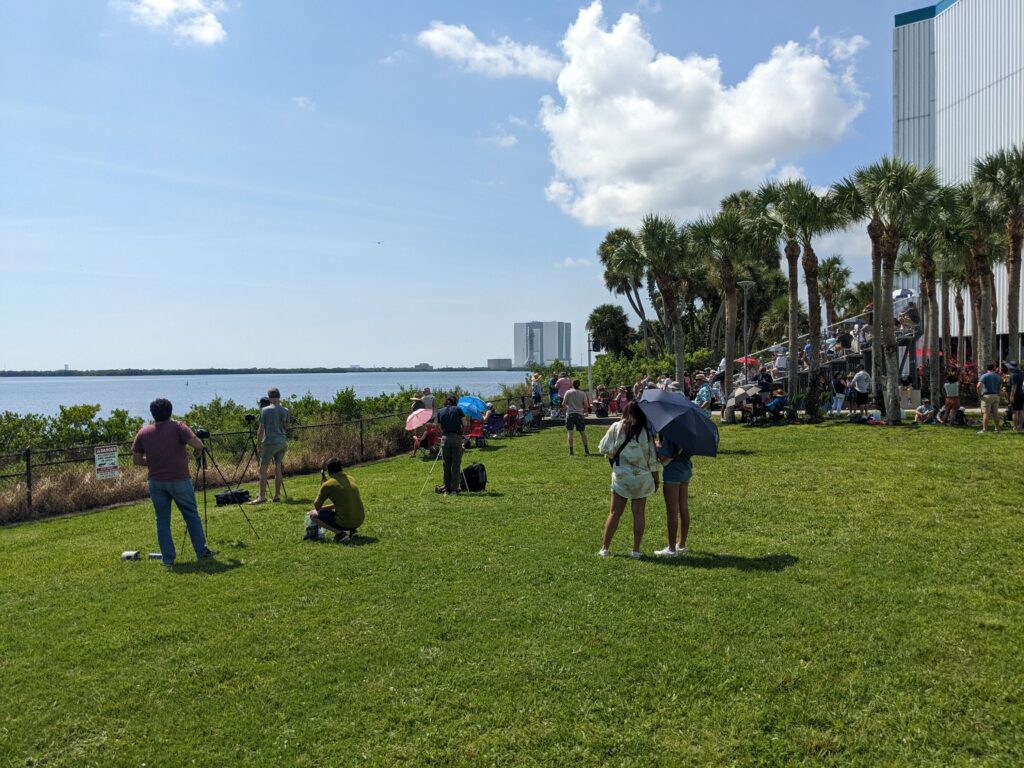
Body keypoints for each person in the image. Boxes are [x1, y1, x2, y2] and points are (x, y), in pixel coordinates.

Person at [131, 398, 215, 567]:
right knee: (191, 516)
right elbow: (198, 445)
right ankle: (201, 551)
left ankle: (168, 558)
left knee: (162, 520)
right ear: (170, 411)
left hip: (156, 482)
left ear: (153, 413)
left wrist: (155, 461)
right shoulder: (178, 427)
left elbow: (137, 460)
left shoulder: (143, 433)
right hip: (179, 480)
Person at [597, 401, 660, 559]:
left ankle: (605, 548)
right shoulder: (646, 432)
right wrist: (656, 479)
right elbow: (652, 459)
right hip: (642, 477)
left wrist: (614, 457)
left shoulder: (616, 427)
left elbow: (603, 447)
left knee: (614, 513)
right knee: (639, 513)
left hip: (621, 477)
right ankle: (636, 550)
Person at [304, 457, 365, 542]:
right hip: (359, 520)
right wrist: (323, 508)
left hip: (346, 522)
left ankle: (340, 534)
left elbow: (317, 506)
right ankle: (353, 531)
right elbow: (342, 503)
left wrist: (322, 486)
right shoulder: (351, 478)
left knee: (313, 515)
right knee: (347, 506)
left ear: (328, 471)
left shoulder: (327, 485)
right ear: (341, 468)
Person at [653, 434, 692, 557]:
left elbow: (664, 457)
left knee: (672, 511)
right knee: (683, 506)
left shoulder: (670, 430)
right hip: (686, 467)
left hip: (673, 471)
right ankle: (681, 545)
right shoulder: (688, 429)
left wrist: (657, 446)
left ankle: (671, 549)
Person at [251, 387, 290, 504]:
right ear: (279, 396)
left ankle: (261, 497)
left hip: (270, 442)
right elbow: (285, 426)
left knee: (262, 470)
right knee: (278, 468)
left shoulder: (265, 410)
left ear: (269, 398)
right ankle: (276, 495)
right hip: (282, 441)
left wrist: (258, 444)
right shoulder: (285, 410)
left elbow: (261, 429)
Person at [437, 395, 465, 494]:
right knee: (456, 464)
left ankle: (446, 488)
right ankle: (454, 489)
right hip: (456, 437)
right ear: (455, 402)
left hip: (445, 438)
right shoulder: (458, 410)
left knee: (446, 464)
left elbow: (440, 427)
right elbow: (464, 423)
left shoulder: (440, 411)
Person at [563, 379, 591, 456]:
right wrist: (585, 412)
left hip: (570, 414)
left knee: (570, 432)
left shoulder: (568, 392)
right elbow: (586, 405)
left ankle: (571, 451)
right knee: (583, 433)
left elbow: (563, 403)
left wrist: (565, 411)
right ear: (579, 385)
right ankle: (586, 450)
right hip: (579, 414)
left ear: (572, 384)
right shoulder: (583, 393)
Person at [976, 362, 1002, 434]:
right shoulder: (997, 376)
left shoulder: (984, 376)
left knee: (986, 413)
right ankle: (997, 429)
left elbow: (978, 386)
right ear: (993, 368)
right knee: (996, 413)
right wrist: (999, 395)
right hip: (996, 396)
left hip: (987, 396)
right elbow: (1000, 388)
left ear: (987, 368)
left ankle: (984, 429)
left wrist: (980, 394)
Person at [1007, 361, 1024, 432]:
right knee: (1020, 411)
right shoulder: (1021, 373)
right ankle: (1020, 426)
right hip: (1021, 393)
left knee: (1015, 411)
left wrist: (1011, 396)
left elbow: (1014, 386)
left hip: (1016, 394)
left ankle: (1015, 427)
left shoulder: (1013, 375)